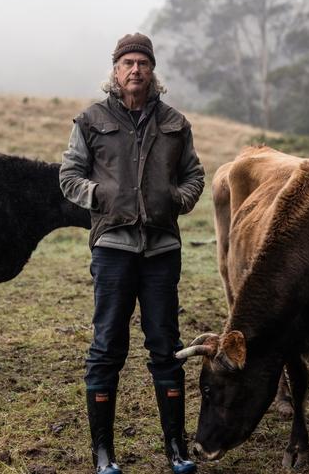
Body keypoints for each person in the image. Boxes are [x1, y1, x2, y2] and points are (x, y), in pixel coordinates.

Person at [59, 32, 204, 474]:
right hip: (112, 249)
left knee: (166, 347)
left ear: (152, 71)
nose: (136, 70)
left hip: (162, 250)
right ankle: (104, 453)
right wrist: (100, 195)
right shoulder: (90, 120)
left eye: (143, 62)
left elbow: (195, 175)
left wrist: (175, 199)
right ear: (116, 71)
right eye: (128, 63)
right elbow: (69, 175)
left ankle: (177, 449)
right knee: (107, 347)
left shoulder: (176, 123)